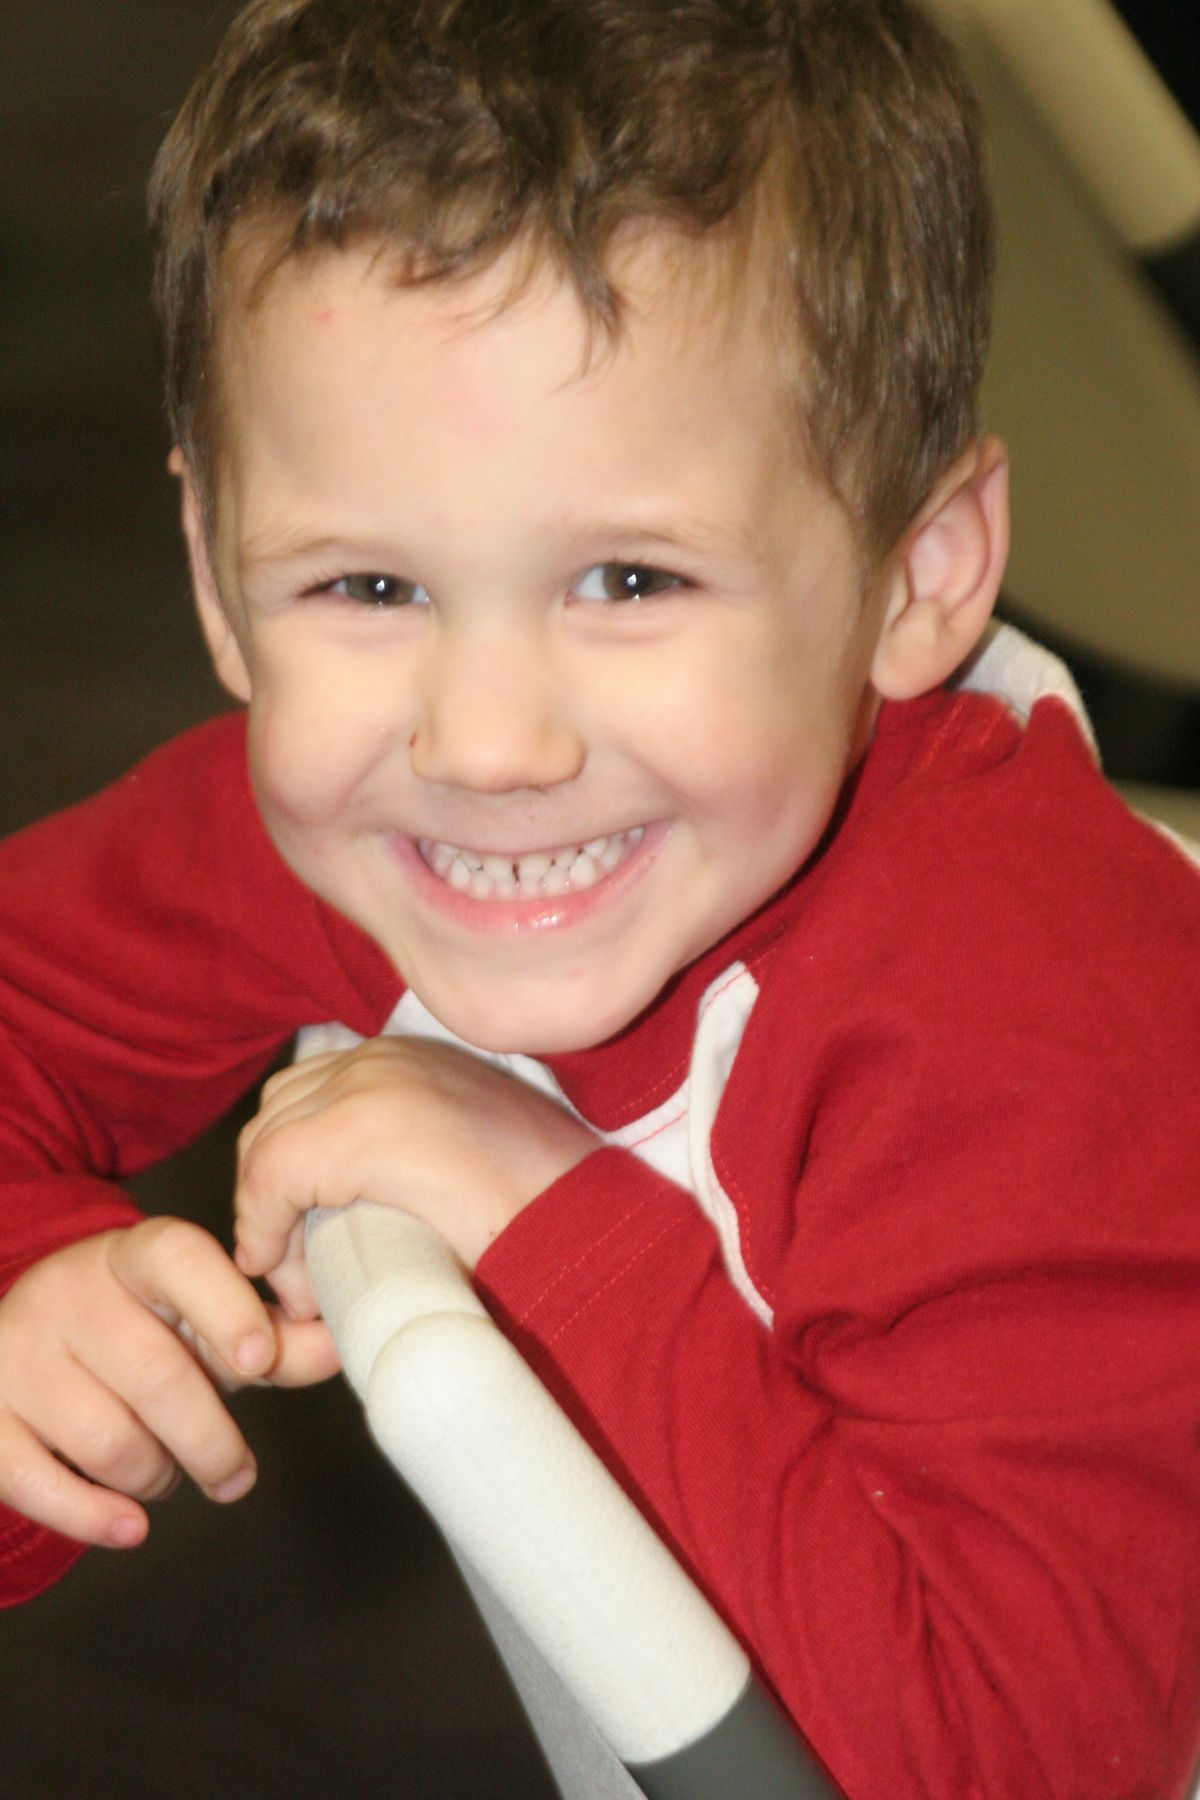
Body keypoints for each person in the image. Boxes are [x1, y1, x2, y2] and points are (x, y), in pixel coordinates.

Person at [2, 0, 1199, 1791]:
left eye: (631, 580)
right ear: (214, 573)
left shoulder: (1025, 1021)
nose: (487, 744)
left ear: (917, 575)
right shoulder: (368, 832)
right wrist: (26, 1307)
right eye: (368, 589)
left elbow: (1018, 1763)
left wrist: (547, 1217)